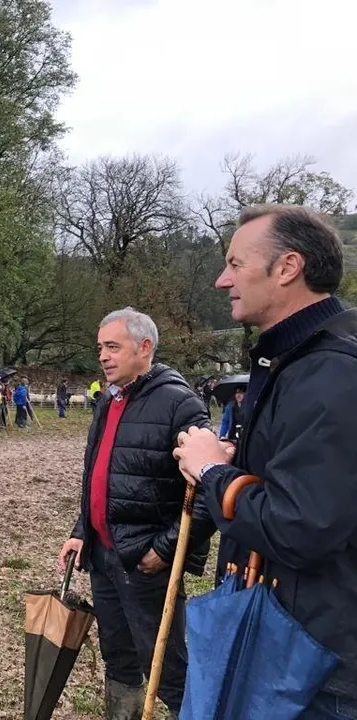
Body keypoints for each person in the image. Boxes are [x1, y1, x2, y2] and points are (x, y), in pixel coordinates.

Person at [173, 204, 357, 718]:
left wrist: (214, 470)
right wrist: (237, 464)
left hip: (313, 667)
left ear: (287, 268)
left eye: (235, 263)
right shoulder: (293, 362)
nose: (221, 280)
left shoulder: (332, 373)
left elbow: (300, 526)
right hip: (286, 639)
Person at [57, 307, 214, 720]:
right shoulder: (108, 400)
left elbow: (209, 491)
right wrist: (81, 531)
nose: (103, 357)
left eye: (113, 347)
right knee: (119, 656)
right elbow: (99, 475)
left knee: (167, 669)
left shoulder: (181, 405)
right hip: (104, 557)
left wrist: (162, 550)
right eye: (100, 349)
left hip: (145, 563)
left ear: (144, 348)